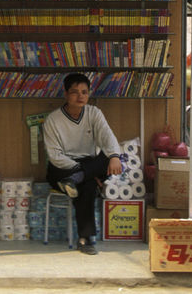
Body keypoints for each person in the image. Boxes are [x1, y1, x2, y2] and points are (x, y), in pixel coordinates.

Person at [43, 72, 124, 255]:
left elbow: (107, 137)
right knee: (87, 184)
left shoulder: (94, 113)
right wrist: (84, 171)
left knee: (109, 156)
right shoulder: (52, 120)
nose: (80, 96)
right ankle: (85, 239)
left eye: (84, 92)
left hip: (86, 164)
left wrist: (114, 156)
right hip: (61, 169)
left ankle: (77, 180)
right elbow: (55, 156)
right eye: (75, 92)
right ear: (65, 94)